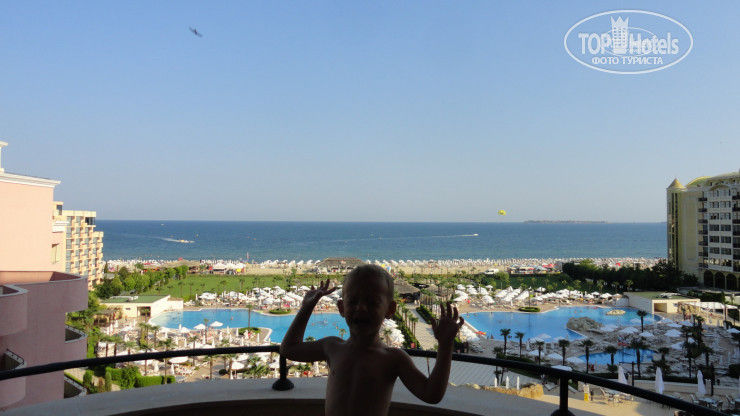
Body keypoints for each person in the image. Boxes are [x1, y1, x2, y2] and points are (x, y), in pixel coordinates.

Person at [280, 264, 464, 416]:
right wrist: (307, 306)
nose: (361, 308)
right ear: (342, 308)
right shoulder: (332, 347)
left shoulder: (393, 359)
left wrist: (445, 345)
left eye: (372, 302)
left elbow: (431, 394)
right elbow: (289, 349)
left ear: (390, 310)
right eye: (353, 301)